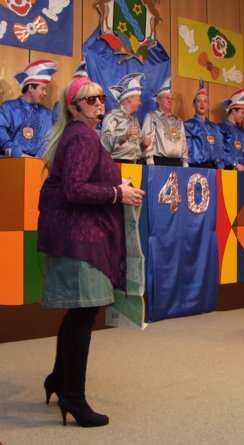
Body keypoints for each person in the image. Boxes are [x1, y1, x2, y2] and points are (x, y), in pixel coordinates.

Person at [37, 75, 145, 428]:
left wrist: (116, 184)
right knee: (83, 315)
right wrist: (117, 193)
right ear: (74, 108)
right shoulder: (82, 136)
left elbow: (82, 181)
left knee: (79, 313)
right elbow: (74, 189)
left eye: (101, 98)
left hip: (76, 234)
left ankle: (58, 379)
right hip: (79, 237)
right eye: (90, 100)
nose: (99, 104)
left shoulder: (81, 135)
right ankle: (73, 396)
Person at [0, 60, 57, 158]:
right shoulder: (8, 108)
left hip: (37, 163)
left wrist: (36, 160)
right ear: (31, 88)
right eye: (42, 88)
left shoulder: (46, 114)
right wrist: (18, 154)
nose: (45, 93)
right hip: (10, 160)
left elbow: (48, 140)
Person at [100, 72, 152, 163]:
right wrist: (124, 136)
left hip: (134, 164)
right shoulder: (113, 116)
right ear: (130, 99)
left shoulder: (134, 119)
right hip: (116, 164)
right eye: (138, 99)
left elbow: (136, 146)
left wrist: (143, 145)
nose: (140, 103)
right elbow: (104, 143)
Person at [142, 76, 189, 166]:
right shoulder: (152, 116)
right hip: (159, 161)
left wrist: (185, 162)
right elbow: (148, 138)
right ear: (158, 100)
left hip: (177, 162)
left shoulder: (178, 120)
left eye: (171, 99)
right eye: (167, 98)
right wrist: (149, 160)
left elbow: (183, 142)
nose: (170, 101)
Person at [184, 79, 224, 169]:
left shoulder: (215, 127)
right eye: (199, 101)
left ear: (208, 105)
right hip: (196, 167)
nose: (202, 104)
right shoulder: (188, 125)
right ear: (193, 104)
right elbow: (185, 150)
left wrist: (221, 168)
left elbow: (220, 149)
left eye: (205, 101)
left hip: (214, 168)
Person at [218, 87, 244, 171]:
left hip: (242, 171)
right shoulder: (219, 128)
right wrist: (234, 164)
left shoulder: (242, 132)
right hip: (226, 171)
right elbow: (219, 151)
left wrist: (242, 165)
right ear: (234, 111)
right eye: (242, 113)